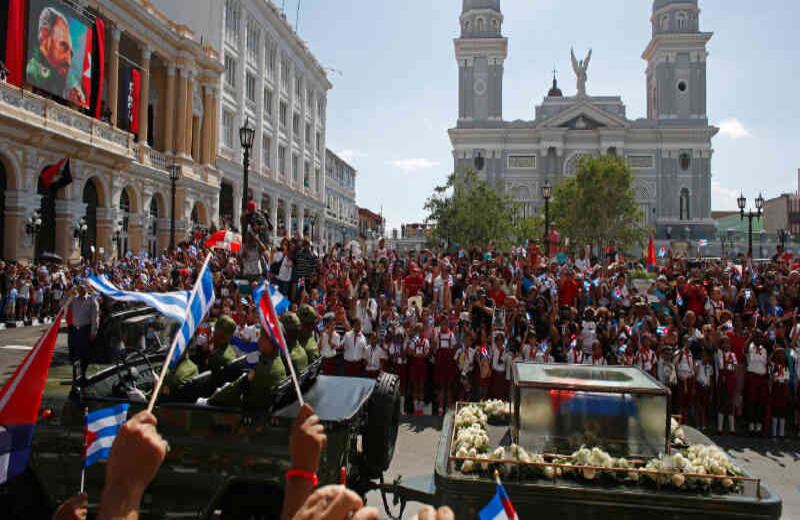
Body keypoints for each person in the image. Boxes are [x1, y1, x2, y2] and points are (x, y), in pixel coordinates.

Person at [26, 6, 87, 105]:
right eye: (63, 46)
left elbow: (74, 85)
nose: (68, 61)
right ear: (45, 34)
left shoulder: (62, 70)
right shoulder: (32, 69)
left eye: (71, 54)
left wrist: (75, 96)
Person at [68, 281, 99, 384]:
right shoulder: (74, 299)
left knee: (85, 356)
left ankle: (83, 375)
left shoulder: (91, 300)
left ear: (86, 288)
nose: (80, 290)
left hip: (85, 329)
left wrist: (93, 331)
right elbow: (62, 304)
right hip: (75, 330)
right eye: (79, 288)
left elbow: (95, 317)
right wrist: (70, 292)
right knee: (75, 356)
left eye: (82, 288)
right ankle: (76, 377)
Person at [434, 316, 457, 416]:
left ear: (448, 324)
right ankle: (440, 409)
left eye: (445, 323)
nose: (444, 325)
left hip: (449, 363)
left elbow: (454, 349)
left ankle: (447, 409)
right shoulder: (437, 335)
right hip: (440, 363)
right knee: (441, 387)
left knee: (449, 387)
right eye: (442, 324)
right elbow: (435, 348)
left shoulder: (452, 335)